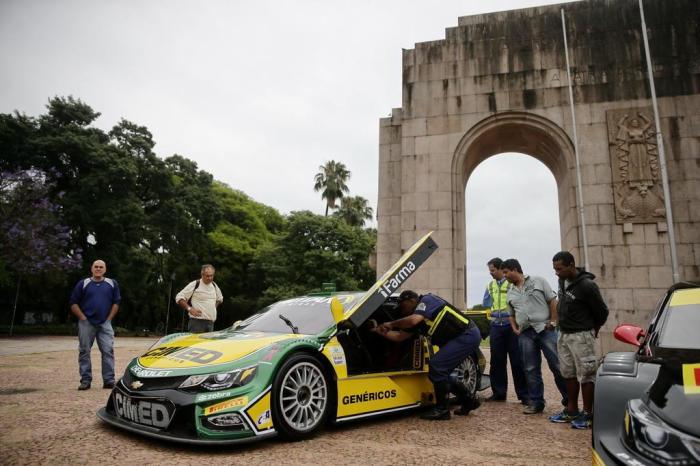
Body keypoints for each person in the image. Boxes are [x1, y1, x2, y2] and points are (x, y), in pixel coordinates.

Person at [373, 290, 481, 420]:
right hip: (458, 339)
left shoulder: (427, 300)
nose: (401, 310)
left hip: (466, 335)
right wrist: (378, 331)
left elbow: (413, 320)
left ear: (411, 301)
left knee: (437, 366)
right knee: (442, 373)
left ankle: (442, 410)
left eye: (402, 305)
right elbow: (399, 336)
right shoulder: (415, 317)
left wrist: (391, 324)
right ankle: (469, 401)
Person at [548, 251, 609, 429]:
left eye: (559, 269)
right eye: (554, 269)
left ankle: (588, 414)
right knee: (568, 373)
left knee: (587, 374)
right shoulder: (562, 281)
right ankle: (571, 410)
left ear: (571, 265)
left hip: (581, 335)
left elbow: (602, 312)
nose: (556, 273)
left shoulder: (587, 286)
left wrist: (593, 330)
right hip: (564, 334)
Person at [502, 258, 568, 414]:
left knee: (557, 365)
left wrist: (553, 321)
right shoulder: (510, 292)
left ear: (515, 269)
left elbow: (552, 301)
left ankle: (569, 401)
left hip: (546, 330)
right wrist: (515, 329)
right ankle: (537, 402)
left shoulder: (538, 281)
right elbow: (511, 314)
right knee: (530, 369)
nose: (504, 276)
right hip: (525, 333)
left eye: (506, 272)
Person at [69, 259, 121, 390]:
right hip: (87, 323)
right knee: (84, 351)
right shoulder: (83, 283)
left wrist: (109, 319)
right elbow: (73, 303)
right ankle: (85, 380)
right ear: (91, 269)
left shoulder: (112, 283)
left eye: (101, 267)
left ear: (105, 269)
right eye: (96, 267)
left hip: (105, 323)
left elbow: (116, 302)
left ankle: (109, 380)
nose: (98, 269)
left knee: (108, 351)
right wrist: (82, 317)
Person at [482, 257, 528, 404]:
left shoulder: (512, 284)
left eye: (493, 270)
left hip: (511, 326)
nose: (491, 273)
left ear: (501, 270)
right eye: (490, 271)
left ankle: (523, 395)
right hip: (496, 327)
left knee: (517, 361)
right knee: (496, 362)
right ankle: (499, 393)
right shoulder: (490, 286)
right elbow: (487, 304)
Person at [175, 264, 223, 333]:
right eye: (207, 276)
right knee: (195, 344)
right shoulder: (195, 284)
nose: (209, 278)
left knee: (207, 344)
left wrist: (213, 308)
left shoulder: (214, 285)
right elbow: (179, 297)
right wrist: (190, 309)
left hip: (210, 323)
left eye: (211, 275)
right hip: (197, 323)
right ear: (202, 275)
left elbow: (220, 299)